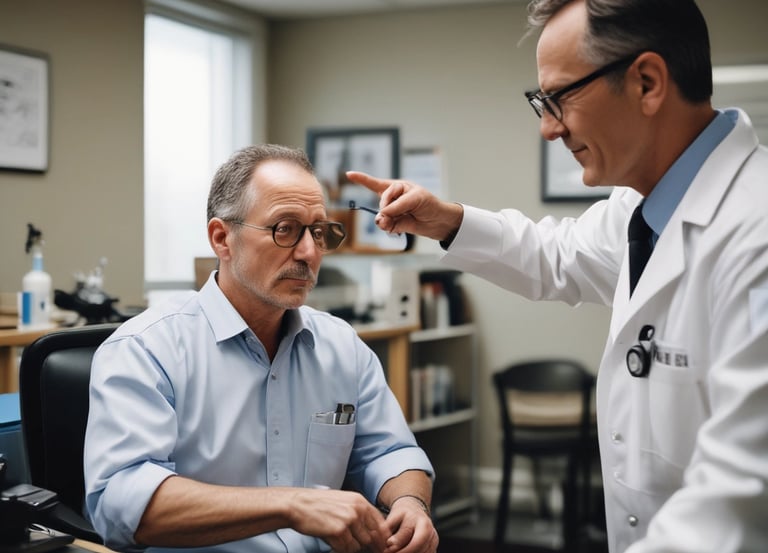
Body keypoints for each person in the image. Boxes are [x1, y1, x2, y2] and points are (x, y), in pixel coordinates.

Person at [345, 1, 768, 552]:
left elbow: (739, 498)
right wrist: (447, 221)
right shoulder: (643, 207)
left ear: (646, 82)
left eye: (560, 98)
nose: (548, 128)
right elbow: (557, 256)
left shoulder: (754, 233)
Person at [84, 144, 438, 553]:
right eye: (284, 229)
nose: (308, 253)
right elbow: (123, 505)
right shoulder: (146, 350)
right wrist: (290, 504)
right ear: (222, 238)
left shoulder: (343, 346)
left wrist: (411, 504)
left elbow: (391, 451)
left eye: (319, 232)